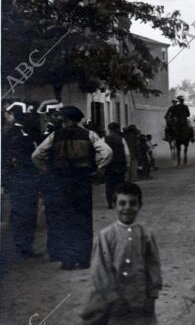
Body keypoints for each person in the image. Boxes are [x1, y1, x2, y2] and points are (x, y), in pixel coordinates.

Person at [80, 183, 162, 325]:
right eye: (122, 203)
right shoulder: (106, 235)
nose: (127, 208)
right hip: (113, 295)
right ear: (115, 205)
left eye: (133, 203)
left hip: (140, 293)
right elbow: (100, 267)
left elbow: (153, 262)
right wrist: (108, 292)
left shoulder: (146, 234)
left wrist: (154, 287)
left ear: (140, 205)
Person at [32, 106, 112, 270]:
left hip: (61, 183)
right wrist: (99, 169)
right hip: (82, 182)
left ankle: (68, 261)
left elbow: (36, 155)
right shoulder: (89, 134)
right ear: (77, 119)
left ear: (65, 119)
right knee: (83, 220)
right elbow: (107, 152)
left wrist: (48, 169)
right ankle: (83, 260)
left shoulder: (55, 136)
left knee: (65, 220)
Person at [2, 103, 41, 258]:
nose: (6, 117)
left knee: (18, 213)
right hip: (27, 179)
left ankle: (20, 245)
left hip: (16, 180)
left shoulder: (8, 134)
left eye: (7, 114)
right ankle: (25, 246)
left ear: (13, 115)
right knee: (28, 213)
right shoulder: (26, 134)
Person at [36, 99, 65, 261]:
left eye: (46, 115)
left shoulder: (50, 133)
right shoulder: (65, 131)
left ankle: (55, 250)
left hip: (53, 179)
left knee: (54, 216)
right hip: (65, 179)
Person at [104, 123, 131, 208]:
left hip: (108, 165)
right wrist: (128, 163)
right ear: (117, 129)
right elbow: (127, 153)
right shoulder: (121, 139)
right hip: (120, 165)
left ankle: (109, 202)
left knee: (109, 184)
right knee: (120, 184)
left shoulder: (104, 139)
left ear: (109, 129)